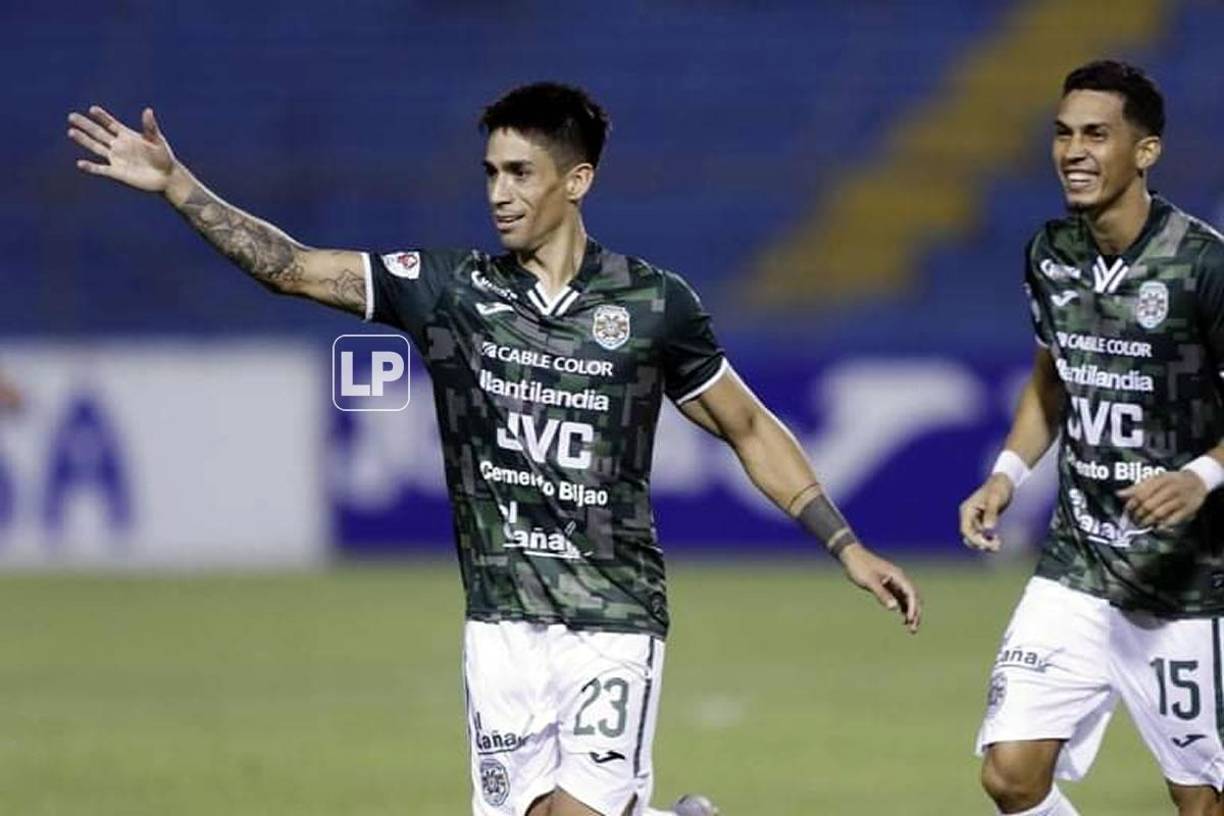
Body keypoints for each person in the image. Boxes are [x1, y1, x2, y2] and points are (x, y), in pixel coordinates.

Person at [68, 82, 921, 816]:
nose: (500, 194)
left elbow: (748, 426)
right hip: (499, 621)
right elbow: (290, 267)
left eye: (521, 173)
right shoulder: (449, 290)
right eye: (490, 173)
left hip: (613, 612)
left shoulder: (654, 304)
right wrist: (177, 185)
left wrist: (845, 545)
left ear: (576, 181)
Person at [960, 60, 1224, 816]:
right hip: (1078, 563)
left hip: (1188, 580)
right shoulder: (1051, 254)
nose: (1074, 151)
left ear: (1146, 151)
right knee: (1010, 774)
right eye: (1064, 133)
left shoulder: (1202, 265)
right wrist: (1007, 474)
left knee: (1201, 800)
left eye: (1097, 135)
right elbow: (1054, 378)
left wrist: (1200, 476)